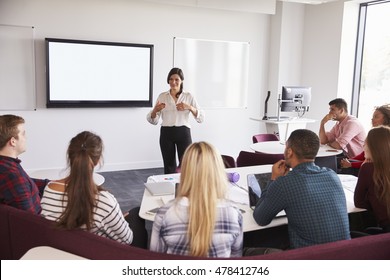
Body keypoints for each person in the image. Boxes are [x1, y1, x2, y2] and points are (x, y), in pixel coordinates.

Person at [253, 129, 350, 249]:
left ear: (289, 152)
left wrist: (273, 179)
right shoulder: (332, 175)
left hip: (309, 259)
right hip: (345, 254)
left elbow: (260, 218)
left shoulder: (284, 183)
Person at [149, 141, 243, 257]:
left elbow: (156, 256)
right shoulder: (234, 213)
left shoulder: (165, 212)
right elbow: (236, 257)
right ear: (218, 171)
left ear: (184, 171)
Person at [40, 131, 133, 245]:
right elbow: (126, 240)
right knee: (135, 216)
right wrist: (116, 217)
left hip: (61, 252)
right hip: (95, 255)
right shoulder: (105, 201)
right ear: (98, 161)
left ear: (69, 157)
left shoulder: (49, 189)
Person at [147, 68, 204, 174]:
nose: (173, 82)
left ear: (181, 80)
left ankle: (186, 189)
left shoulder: (188, 96)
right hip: (166, 133)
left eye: (177, 79)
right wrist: (155, 110)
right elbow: (153, 120)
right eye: (171, 79)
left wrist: (189, 107)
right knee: (169, 166)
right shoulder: (162, 96)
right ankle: (170, 189)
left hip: (183, 132)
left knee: (186, 165)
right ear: (168, 80)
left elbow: (201, 118)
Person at [0, 114, 48, 214]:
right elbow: (30, 222)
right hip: (38, 226)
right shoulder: (12, 175)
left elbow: (27, 183)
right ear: (13, 141)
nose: (26, 137)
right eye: (23, 134)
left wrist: (53, 184)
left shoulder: (7, 165)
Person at [354, 126, 390, 233]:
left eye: (365, 143)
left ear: (373, 147)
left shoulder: (368, 168)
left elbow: (359, 202)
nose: (363, 146)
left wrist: (373, 201)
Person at [340, 104, 390, 175]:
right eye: (372, 117)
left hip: (375, 169)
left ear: (386, 119)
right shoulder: (373, 134)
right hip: (366, 164)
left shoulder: (385, 137)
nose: (372, 119)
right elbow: (363, 155)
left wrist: (350, 164)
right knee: (339, 163)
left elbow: (374, 162)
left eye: (376, 117)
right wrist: (349, 160)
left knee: (344, 169)